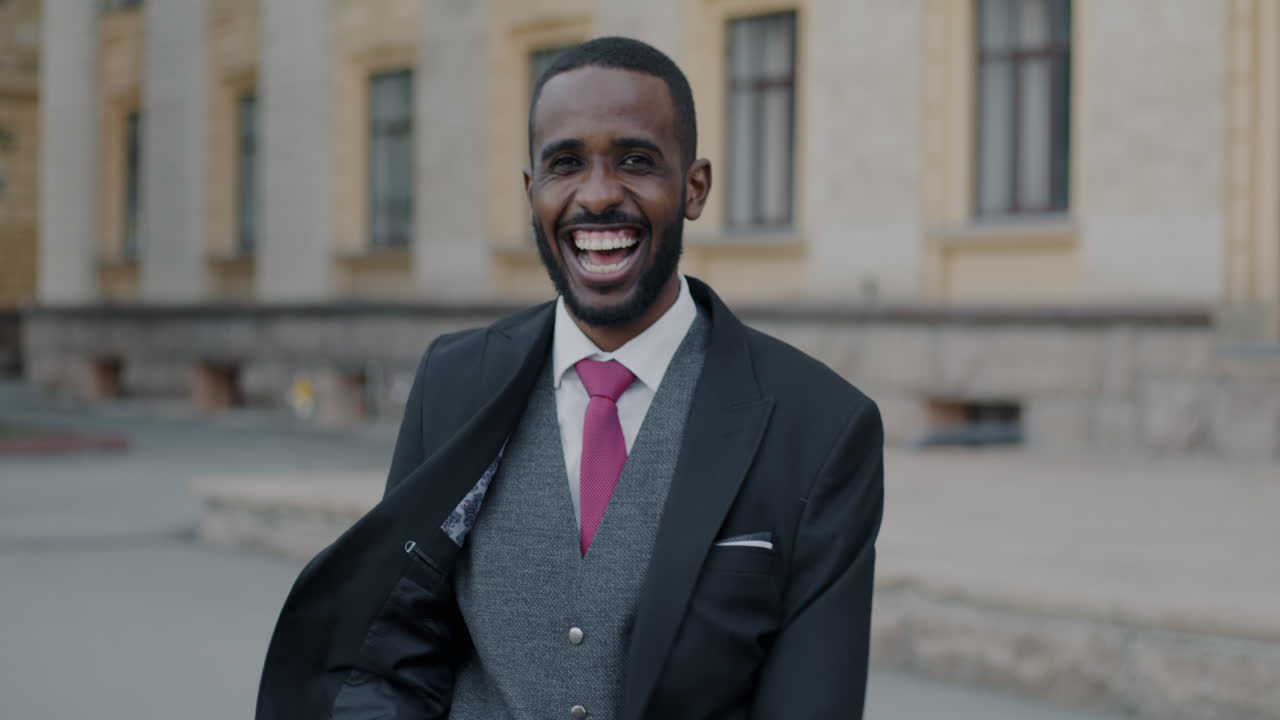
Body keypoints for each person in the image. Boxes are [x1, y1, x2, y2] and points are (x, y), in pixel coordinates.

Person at [256, 36, 884, 720]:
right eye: (565, 165)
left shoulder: (820, 426)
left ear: (694, 187)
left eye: (636, 161)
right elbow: (395, 648)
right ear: (533, 193)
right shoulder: (453, 382)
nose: (598, 195)